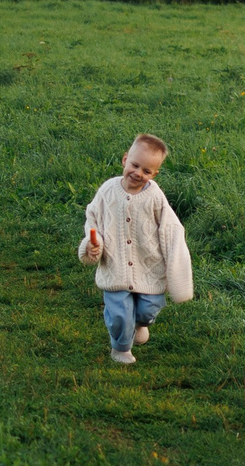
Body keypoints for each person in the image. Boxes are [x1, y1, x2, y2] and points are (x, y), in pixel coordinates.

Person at [77, 133, 192, 366]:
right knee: (120, 313)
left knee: (149, 308)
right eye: (135, 165)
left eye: (147, 171)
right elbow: (93, 219)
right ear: (125, 159)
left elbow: (171, 228)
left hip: (149, 266)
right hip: (115, 266)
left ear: (154, 174)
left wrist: (176, 269)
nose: (138, 173)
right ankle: (120, 348)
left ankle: (140, 324)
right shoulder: (108, 191)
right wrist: (92, 243)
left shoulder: (154, 196)